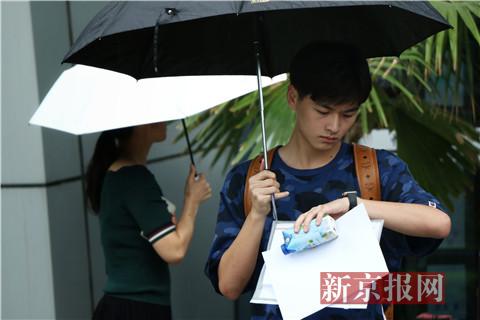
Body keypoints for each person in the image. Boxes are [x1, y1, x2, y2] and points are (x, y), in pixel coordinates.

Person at [204, 42, 451, 319]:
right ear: (293, 97)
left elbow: (439, 222)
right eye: (323, 112)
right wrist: (257, 215)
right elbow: (229, 286)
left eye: (348, 114)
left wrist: (355, 205)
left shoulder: (375, 170)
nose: (335, 126)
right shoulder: (251, 178)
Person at [86, 122, 212, 320]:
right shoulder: (133, 178)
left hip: (127, 306)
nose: (164, 120)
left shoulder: (121, 173)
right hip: (136, 308)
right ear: (139, 125)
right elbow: (174, 250)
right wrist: (192, 201)